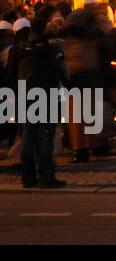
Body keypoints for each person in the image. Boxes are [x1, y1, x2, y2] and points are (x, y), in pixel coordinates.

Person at [14, 28, 65, 188]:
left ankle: (27, 177)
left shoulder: (19, 53)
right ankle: (46, 177)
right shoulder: (48, 53)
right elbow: (61, 73)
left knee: (27, 139)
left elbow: (10, 76)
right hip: (45, 97)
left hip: (24, 98)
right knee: (45, 138)